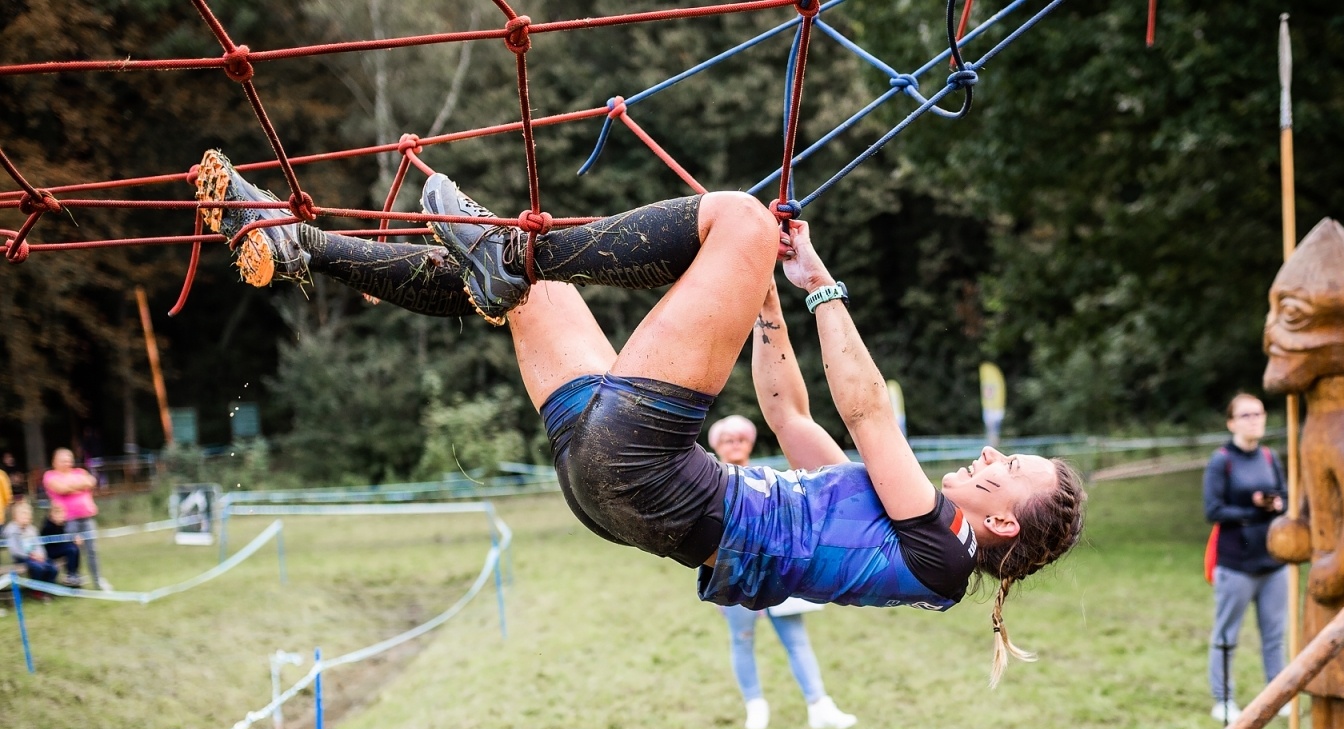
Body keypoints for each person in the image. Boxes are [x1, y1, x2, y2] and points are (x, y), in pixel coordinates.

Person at [197, 151, 1085, 682]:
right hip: (615, 494)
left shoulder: (938, 550)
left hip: (656, 482)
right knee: (518, 297)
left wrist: (820, 284)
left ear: (1001, 518)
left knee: (734, 218)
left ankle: (507, 252)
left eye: (1008, 468)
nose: (992, 452)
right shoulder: (896, 532)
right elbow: (787, 410)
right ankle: (297, 242)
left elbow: (868, 411)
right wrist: (765, 306)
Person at [705, 415, 853, 729]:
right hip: (735, 571)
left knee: (796, 639)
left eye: (740, 438)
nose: (735, 443)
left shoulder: (766, 477)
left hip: (777, 569)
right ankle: (755, 707)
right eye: (727, 439)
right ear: (716, 444)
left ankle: (819, 705)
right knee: (742, 639)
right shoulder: (710, 482)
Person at [1203, 393, 1287, 722]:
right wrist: (1253, 508)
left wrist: (1277, 504)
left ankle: (1277, 695)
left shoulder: (1269, 456)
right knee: (1227, 634)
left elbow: (1286, 497)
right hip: (1235, 563)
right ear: (1232, 422)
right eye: (1246, 415)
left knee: (1274, 633)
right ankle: (1223, 700)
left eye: (1259, 414)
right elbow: (1213, 510)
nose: (1254, 420)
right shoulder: (1221, 460)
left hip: (1273, 561)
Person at [40, 448, 110, 590]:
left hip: (87, 517)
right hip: (67, 520)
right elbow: (61, 489)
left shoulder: (80, 472)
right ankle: (73, 580)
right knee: (72, 550)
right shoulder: (50, 475)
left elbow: (91, 481)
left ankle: (98, 581)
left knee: (92, 550)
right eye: (63, 460)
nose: (67, 462)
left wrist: (72, 487)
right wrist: (79, 486)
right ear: (54, 462)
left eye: (69, 459)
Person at [4, 499, 70, 585]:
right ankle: (37, 590)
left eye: (28, 515)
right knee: (38, 568)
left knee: (52, 567)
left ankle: (49, 588)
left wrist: (41, 555)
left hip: (36, 557)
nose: (26, 517)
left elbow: (39, 545)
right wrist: (31, 556)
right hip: (22, 558)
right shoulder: (12, 530)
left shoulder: (32, 530)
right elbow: (15, 550)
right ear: (15, 517)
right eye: (23, 515)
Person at [39, 501, 84, 587]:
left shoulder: (62, 525)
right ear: (52, 515)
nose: (62, 517)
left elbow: (63, 539)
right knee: (71, 549)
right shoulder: (48, 526)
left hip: (59, 548)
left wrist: (73, 540)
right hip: (49, 551)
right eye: (59, 514)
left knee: (74, 548)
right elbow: (56, 541)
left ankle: (74, 573)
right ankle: (71, 574)